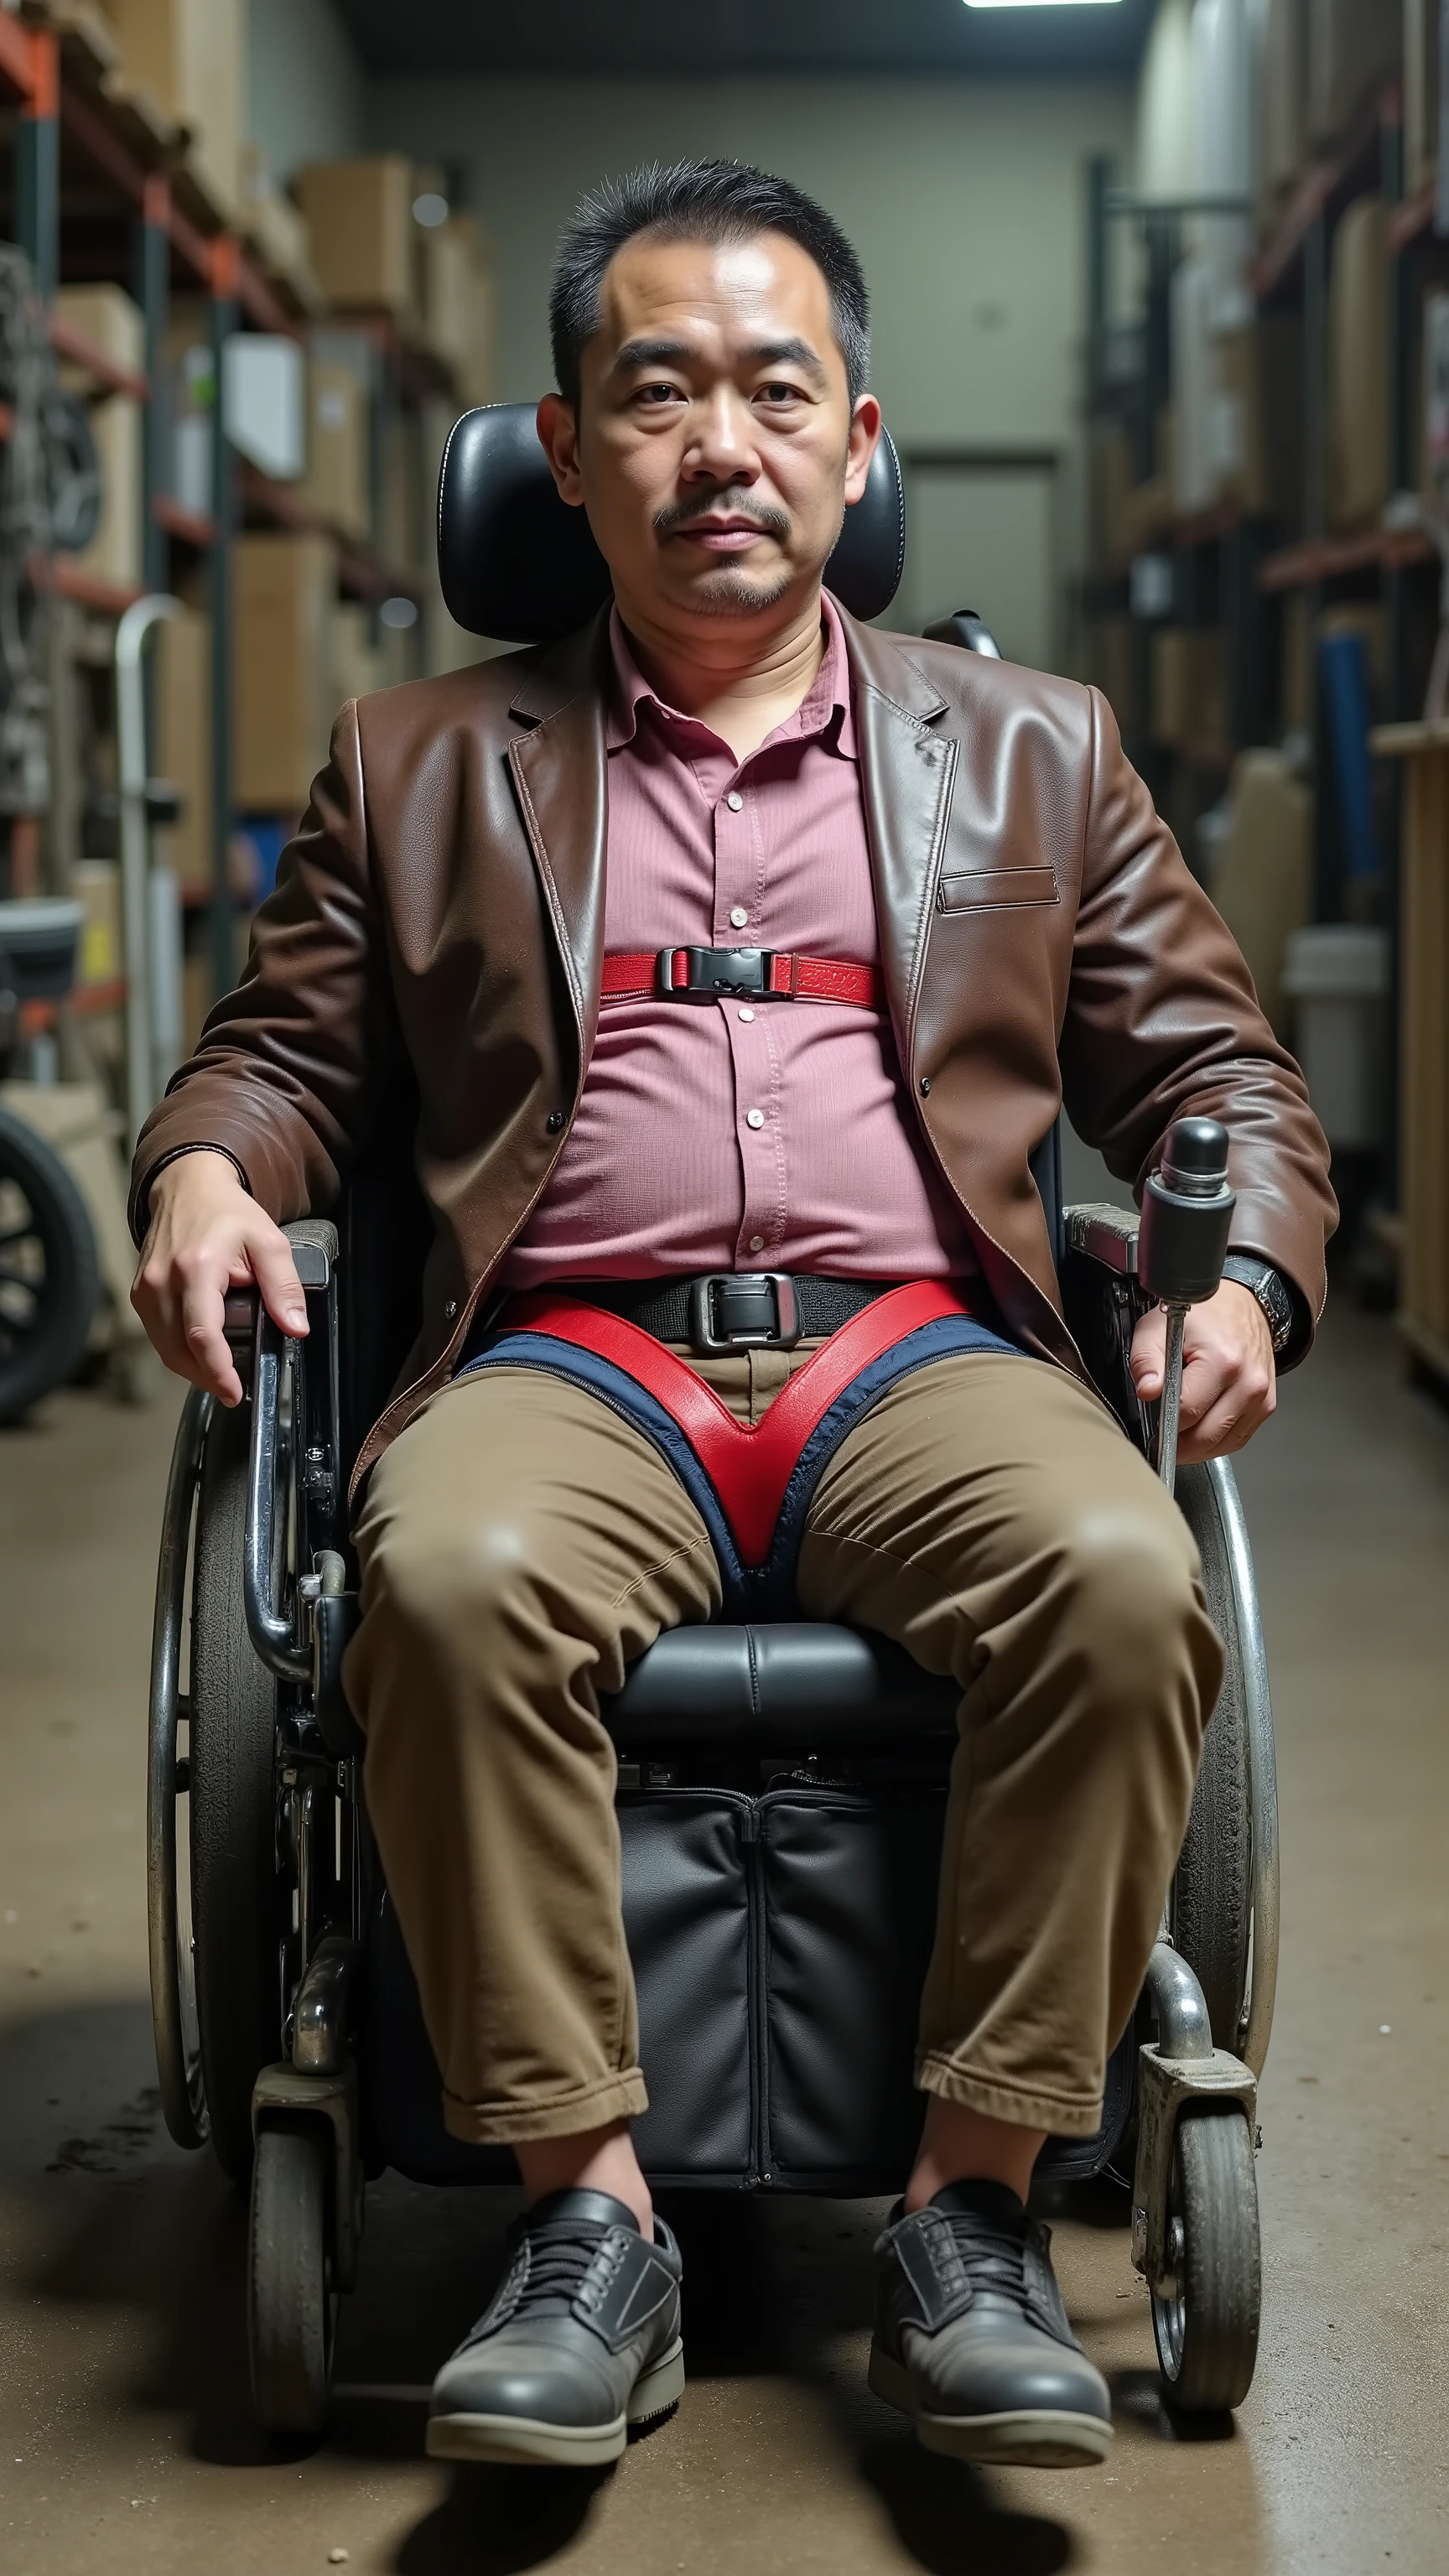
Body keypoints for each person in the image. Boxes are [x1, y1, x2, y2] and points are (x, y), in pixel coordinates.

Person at [130, 160, 1333, 2474]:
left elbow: (1217, 1079)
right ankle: (590, 2220)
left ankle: (968, 2210)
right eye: (655, 392)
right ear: (563, 453)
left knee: (1118, 1571)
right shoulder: (416, 766)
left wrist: (1256, 1271)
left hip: (917, 1355)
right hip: (575, 1360)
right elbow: (277, 1068)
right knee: (445, 1580)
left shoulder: (1034, 752)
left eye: (777, 390)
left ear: (858, 441)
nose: (723, 445)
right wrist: (201, 1171)